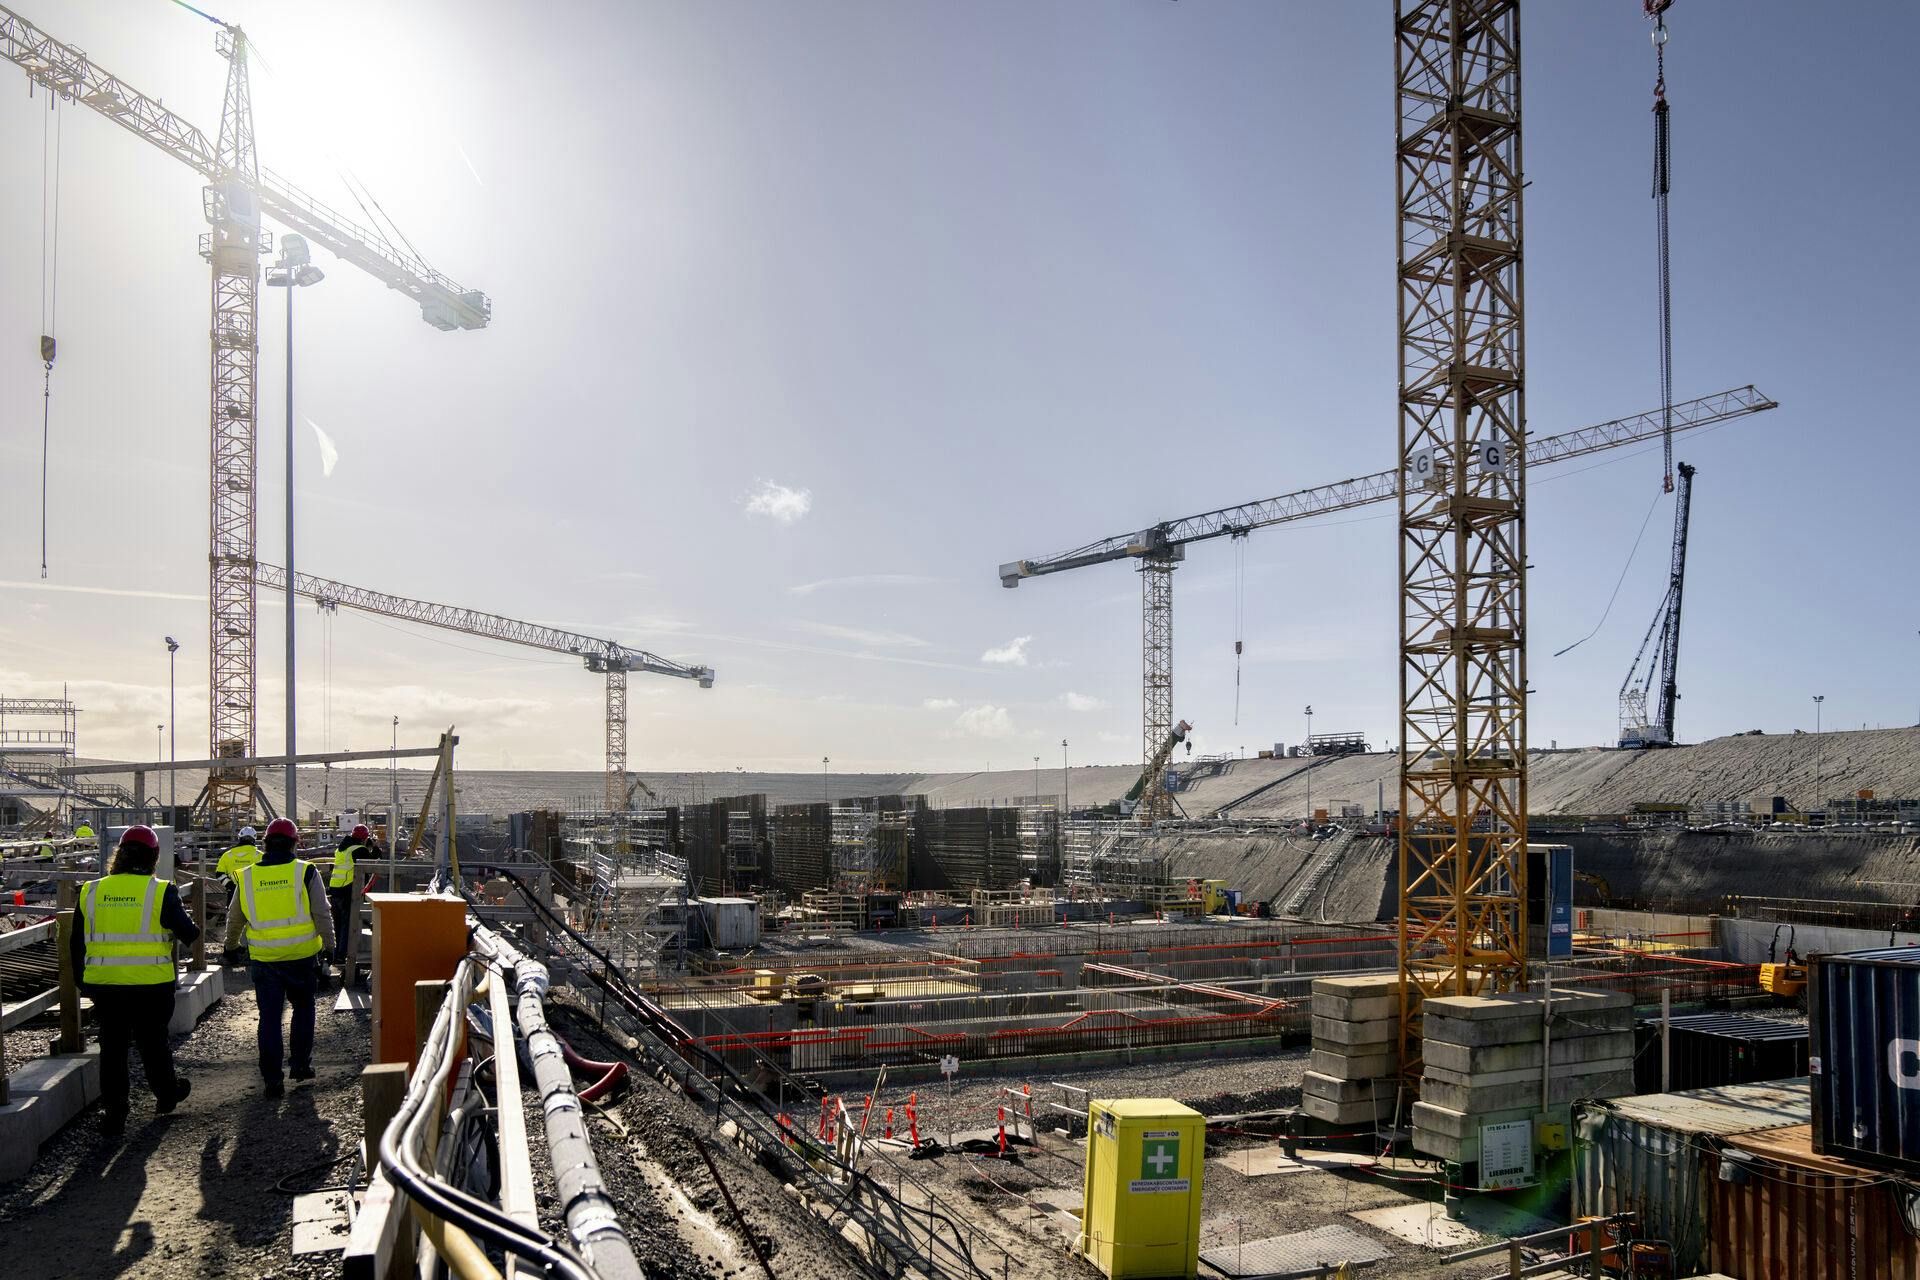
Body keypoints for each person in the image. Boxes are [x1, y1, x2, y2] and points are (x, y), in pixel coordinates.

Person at [72, 825, 197, 1139]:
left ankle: (115, 1113)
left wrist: (83, 983)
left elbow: (76, 943)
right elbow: (190, 934)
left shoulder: (92, 890)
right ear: (153, 856)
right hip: (150, 984)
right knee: (153, 1042)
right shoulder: (160, 891)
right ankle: (166, 1093)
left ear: (120, 855)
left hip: (106, 984)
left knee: (112, 1048)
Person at [223, 817, 334, 1096]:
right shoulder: (305, 872)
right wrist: (330, 946)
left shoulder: (247, 876)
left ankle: (272, 1079)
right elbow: (322, 912)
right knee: (304, 1009)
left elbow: (234, 918)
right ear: (295, 844)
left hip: (264, 960)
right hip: (301, 957)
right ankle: (299, 1065)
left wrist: (230, 946)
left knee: (269, 1018)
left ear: (266, 844)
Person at [325, 825, 368, 964]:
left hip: (335, 888)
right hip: (347, 889)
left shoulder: (341, 848)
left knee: (337, 924)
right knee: (347, 924)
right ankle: (342, 955)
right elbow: (373, 859)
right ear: (364, 838)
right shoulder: (359, 849)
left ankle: (336, 953)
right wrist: (374, 847)